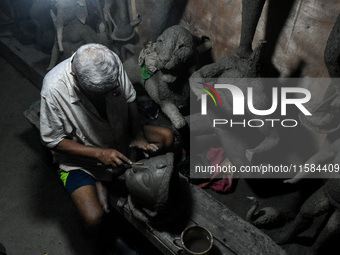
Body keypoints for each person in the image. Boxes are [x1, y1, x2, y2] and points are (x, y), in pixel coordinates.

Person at [39, 43, 174, 237]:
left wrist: (137, 134)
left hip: (119, 133)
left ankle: (107, 178)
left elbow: (130, 98)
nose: (108, 95)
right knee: (94, 218)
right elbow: (53, 140)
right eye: (101, 93)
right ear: (76, 80)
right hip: (83, 158)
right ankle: (99, 178)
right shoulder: (53, 90)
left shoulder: (107, 60)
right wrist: (99, 154)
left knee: (167, 137)